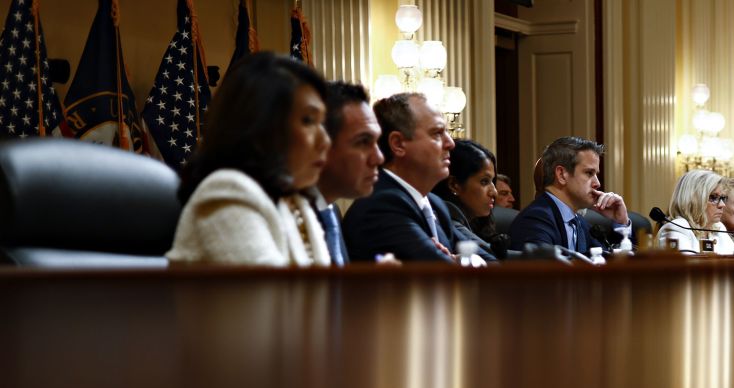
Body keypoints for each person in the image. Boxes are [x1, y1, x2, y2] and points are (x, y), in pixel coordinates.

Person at [166, 52, 331, 266]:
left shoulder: (294, 201)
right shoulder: (227, 191)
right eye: (308, 121)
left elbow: (322, 291)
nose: (325, 141)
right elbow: (267, 297)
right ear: (262, 125)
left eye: (322, 123)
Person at [342, 92, 493, 263]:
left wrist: (465, 260)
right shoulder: (381, 205)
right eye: (437, 133)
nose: (450, 143)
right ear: (398, 144)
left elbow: (491, 264)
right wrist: (460, 262)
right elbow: (444, 273)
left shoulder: (435, 204)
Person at [508, 136, 631, 255]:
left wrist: (621, 221)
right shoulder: (535, 220)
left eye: (596, 174)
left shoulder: (579, 223)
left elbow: (615, 264)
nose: (597, 183)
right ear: (561, 175)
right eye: (589, 173)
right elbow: (548, 273)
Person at [311, 81, 383, 266]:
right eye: (363, 142)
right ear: (321, 144)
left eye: (376, 142)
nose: (378, 158)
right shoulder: (284, 214)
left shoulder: (330, 211)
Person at [432, 139, 503, 252]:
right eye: (484, 182)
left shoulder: (476, 223)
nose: (494, 192)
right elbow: (490, 257)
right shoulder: (449, 222)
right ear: (454, 185)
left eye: (493, 181)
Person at [655, 170, 734, 255]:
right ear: (693, 200)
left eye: (723, 198)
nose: (722, 205)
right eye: (713, 197)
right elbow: (687, 267)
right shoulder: (677, 228)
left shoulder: (718, 227)